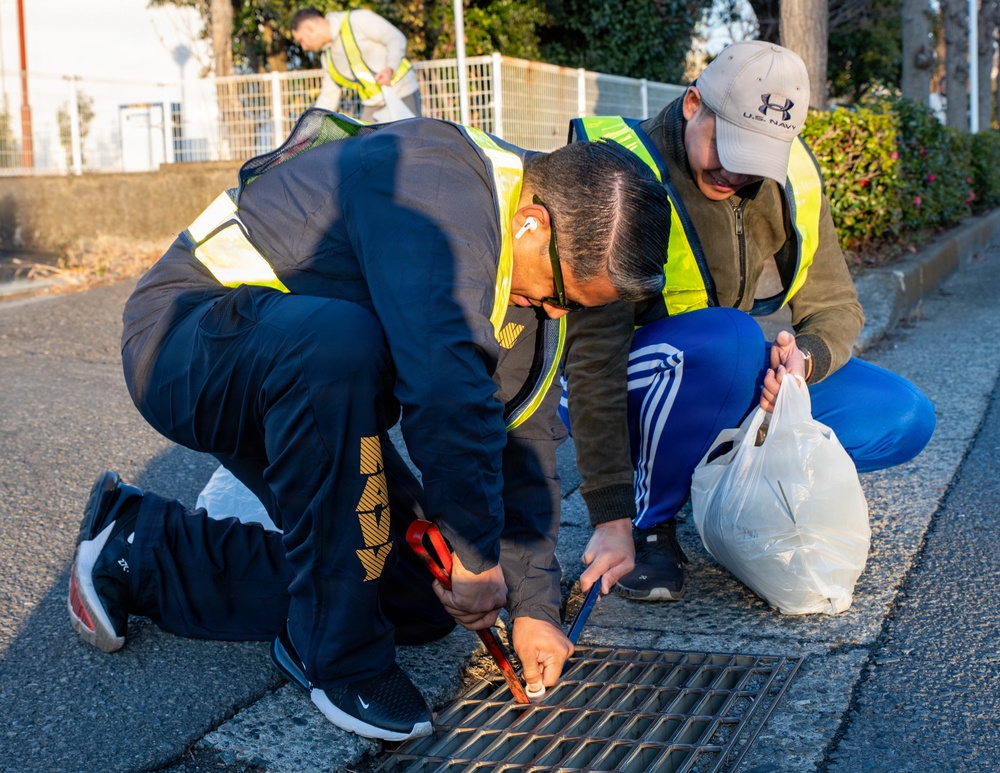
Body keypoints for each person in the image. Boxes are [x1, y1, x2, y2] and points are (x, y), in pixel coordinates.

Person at [66, 108, 671, 742]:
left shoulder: (529, 271)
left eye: (570, 306)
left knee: (417, 595)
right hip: (188, 342)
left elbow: (520, 439)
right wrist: (473, 553)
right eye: (559, 294)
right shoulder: (434, 180)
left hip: (308, 387)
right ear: (532, 223)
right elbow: (444, 389)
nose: (552, 311)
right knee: (341, 344)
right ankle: (336, 654)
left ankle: (144, 547)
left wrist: (534, 606)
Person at [560, 41, 936, 604]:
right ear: (693, 105)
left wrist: (803, 361)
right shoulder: (617, 168)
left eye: (756, 157)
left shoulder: (791, 178)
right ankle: (649, 518)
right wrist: (610, 515)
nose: (736, 171)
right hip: (623, 384)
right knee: (730, 339)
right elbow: (590, 358)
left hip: (721, 376)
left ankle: (731, 482)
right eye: (727, 145)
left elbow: (835, 304)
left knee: (903, 415)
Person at [291, 7, 422, 122]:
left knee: (412, 144)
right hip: (373, 104)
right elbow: (328, 97)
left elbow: (395, 38)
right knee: (368, 148)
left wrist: (390, 69)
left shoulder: (357, 20)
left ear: (310, 27)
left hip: (402, 91)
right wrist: (311, 125)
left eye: (301, 40)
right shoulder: (328, 58)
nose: (304, 47)